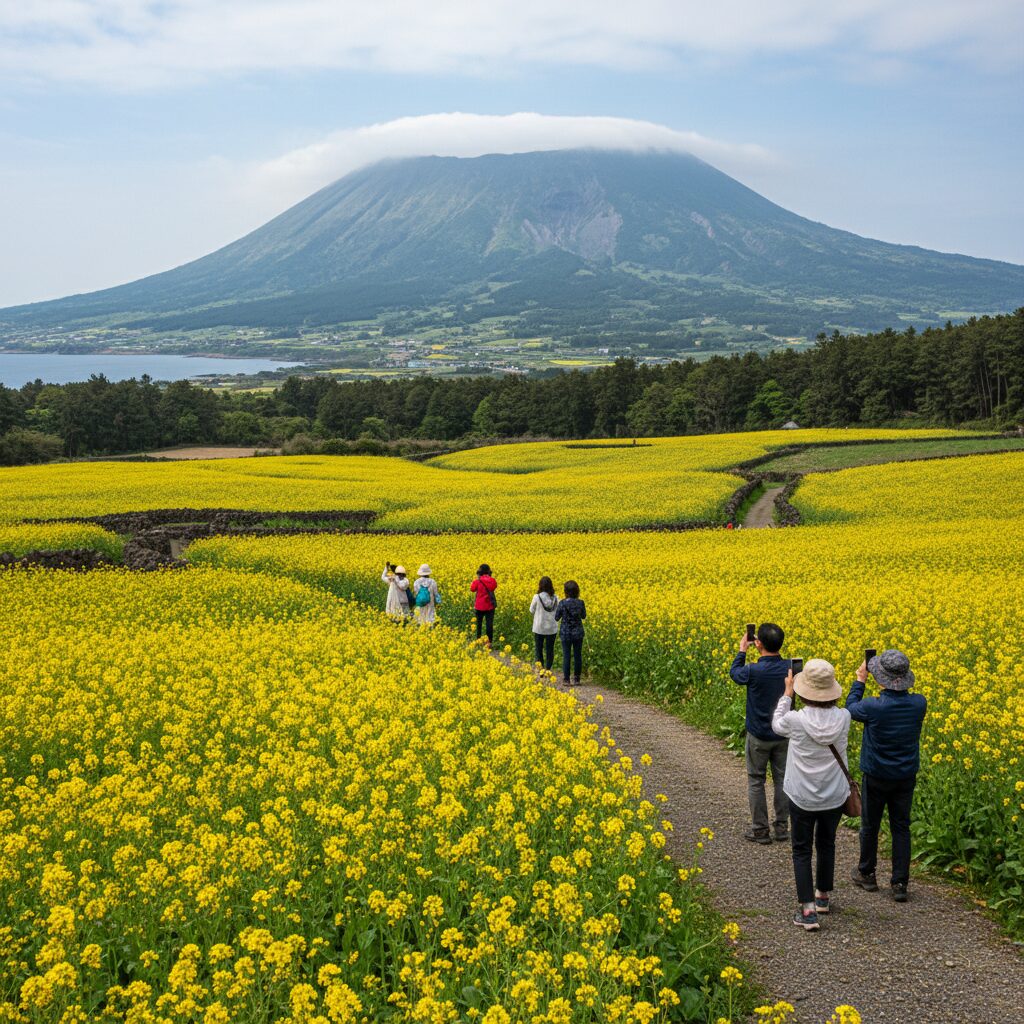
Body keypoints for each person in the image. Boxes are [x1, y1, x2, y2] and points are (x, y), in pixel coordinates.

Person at [772, 659, 852, 931]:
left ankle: (807, 912)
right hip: (834, 794)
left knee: (802, 849)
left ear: (804, 690)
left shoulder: (796, 720)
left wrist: (787, 693)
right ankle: (823, 897)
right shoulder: (844, 718)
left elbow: (776, 724)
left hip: (802, 795)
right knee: (827, 842)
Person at [847, 649, 927, 903]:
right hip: (905, 775)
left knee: (870, 824)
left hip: (877, 774)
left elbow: (850, 708)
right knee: (901, 826)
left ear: (880, 678)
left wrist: (860, 679)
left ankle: (867, 873)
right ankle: (900, 883)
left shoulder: (873, 706)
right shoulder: (919, 703)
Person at [730, 623, 791, 844]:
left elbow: (735, 674)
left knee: (756, 780)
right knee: (782, 780)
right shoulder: (791, 668)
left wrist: (742, 650)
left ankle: (760, 830)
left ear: (758, 643)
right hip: (783, 735)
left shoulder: (753, 670)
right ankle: (782, 828)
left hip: (758, 735)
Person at [555, 580, 586, 686]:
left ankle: (566, 679)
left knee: (566, 655)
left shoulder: (562, 603)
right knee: (578, 655)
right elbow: (583, 616)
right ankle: (577, 679)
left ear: (565, 591)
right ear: (577, 591)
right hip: (578, 633)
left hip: (565, 632)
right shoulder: (580, 603)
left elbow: (556, 617)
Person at [529, 576, 558, 669]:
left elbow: (531, 610)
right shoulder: (556, 598)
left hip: (539, 627)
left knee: (539, 649)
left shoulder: (536, 597)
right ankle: (548, 669)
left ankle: (540, 670)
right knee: (550, 650)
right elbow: (558, 611)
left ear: (540, 586)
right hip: (552, 628)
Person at [470, 564, 498, 645]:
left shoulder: (478, 581)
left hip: (479, 606)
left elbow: (472, 589)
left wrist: (477, 578)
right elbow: (494, 587)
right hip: (490, 606)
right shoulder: (492, 580)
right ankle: (489, 643)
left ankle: (478, 640)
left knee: (479, 624)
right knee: (489, 624)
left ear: (480, 572)